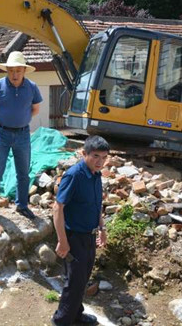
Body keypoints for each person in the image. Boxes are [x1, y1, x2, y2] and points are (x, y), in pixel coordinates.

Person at [50, 135, 110, 326]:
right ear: (84, 153)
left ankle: (76, 314)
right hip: (74, 237)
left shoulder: (95, 175)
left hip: (90, 236)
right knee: (74, 282)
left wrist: (102, 228)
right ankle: (61, 321)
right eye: (95, 156)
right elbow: (57, 207)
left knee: (82, 279)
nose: (100, 162)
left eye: (104, 157)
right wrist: (62, 240)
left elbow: (96, 204)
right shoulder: (74, 175)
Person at [0, 51, 42, 222]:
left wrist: (20, 122)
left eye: (18, 71)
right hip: (1, 134)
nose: (14, 75)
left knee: (23, 172)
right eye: (11, 71)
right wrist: (2, 122)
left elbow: (35, 109)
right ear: (7, 71)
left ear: (24, 70)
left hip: (23, 134)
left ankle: (22, 205)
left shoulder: (32, 87)